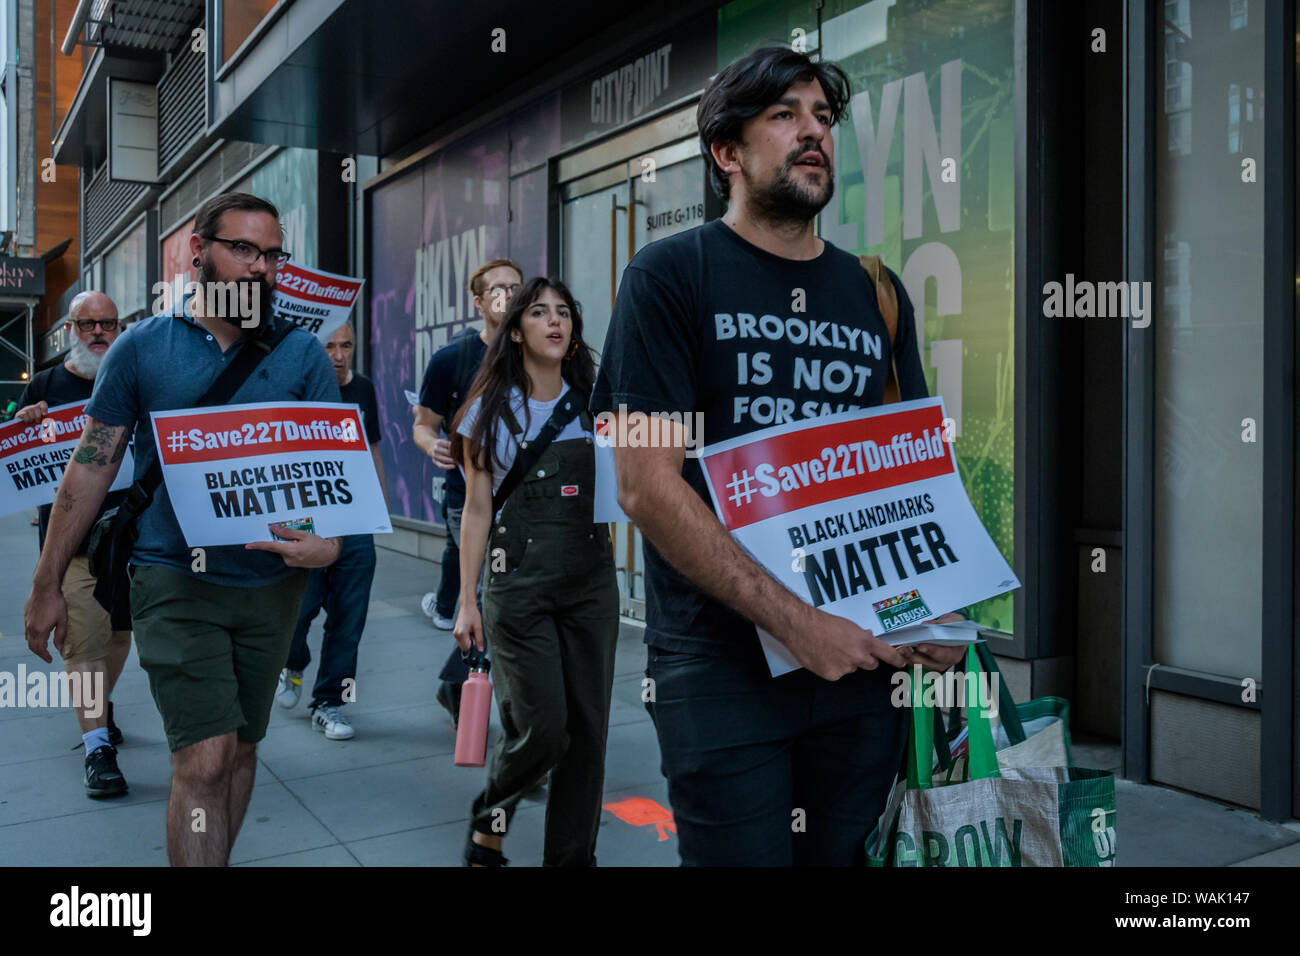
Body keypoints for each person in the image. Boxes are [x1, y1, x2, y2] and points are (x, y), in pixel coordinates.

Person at [590, 46, 967, 867]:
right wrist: (796, 624)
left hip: (863, 666)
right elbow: (646, 487)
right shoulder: (668, 275)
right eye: (784, 116)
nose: (813, 135)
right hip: (718, 670)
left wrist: (941, 611)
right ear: (727, 153)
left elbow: (914, 468)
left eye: (823, 119)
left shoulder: (875, 289)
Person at [23, 192, 343, 866]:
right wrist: (46, 580)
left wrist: (329, 542)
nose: (261, 267)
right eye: (243, 250)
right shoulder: (142, 350)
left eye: (272, 254)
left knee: (242, 750)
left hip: (271, 586)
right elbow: (88, 470)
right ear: (199, 253)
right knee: (203, 759)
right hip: (174, 578)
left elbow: (329, 472)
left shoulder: (303, 355)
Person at [452, 277, 618, 867]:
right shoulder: (485, 410)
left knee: (588, 735)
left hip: (592, 584)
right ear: (516, 329)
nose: (555, 321)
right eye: (540, 312)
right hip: (516, 585)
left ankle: (572, 859)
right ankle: (488, 822)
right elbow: (476, 510)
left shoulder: (601, 403)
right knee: (545, 728)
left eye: (565, 313)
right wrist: (466, 602)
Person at [14, 291, 131, 797]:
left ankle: (99, 705)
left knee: (118, 636)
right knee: (81, 641)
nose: (98, 332)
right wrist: (26, 426)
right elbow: (16, 461)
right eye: (88, 324)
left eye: (107, 323)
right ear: (70, 329)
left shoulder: (133, 378)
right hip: (74, 545)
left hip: (132, 536)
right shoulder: (45, 385)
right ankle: (97, 749)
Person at [413, 258, 522, 724]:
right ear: (478, 302)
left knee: (508, 598)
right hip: (469, 499)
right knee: (495, 594)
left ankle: (458, 682)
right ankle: (477, 691)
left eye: (517, 287)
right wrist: (432, 446)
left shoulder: (541, 350)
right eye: (498, 289)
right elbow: (423, 424)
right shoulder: (451, 359)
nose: (510, 296)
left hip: (526, 501)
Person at [275, 321, 386, 740]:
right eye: (329, 347)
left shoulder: (363, 388)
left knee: (349, 617)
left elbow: (372, 444)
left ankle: (330, 703)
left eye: (347, 346)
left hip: (354, 516)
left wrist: (379, 504)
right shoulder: (293, 386)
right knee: (299, 610)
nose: (338, 355)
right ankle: (293, 664)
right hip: (305, 517)